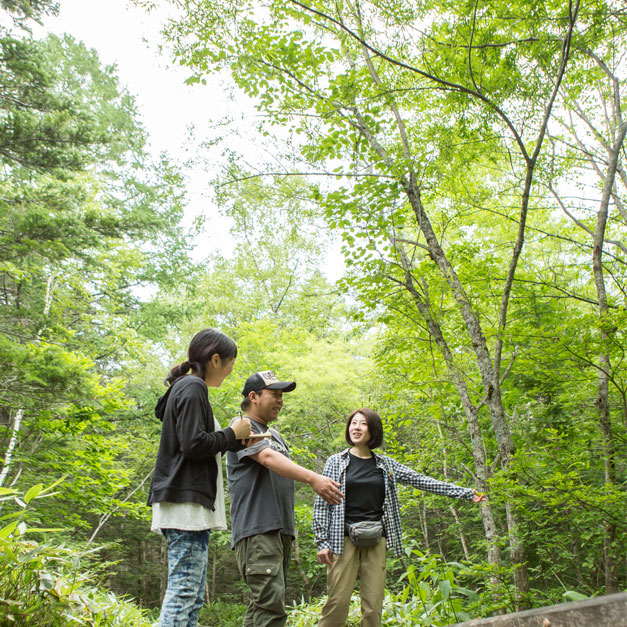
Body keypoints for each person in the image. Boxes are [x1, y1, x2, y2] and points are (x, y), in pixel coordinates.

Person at [313, 408, 487, 627]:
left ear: (373, 430)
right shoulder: (336, 462)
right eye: (353, 423)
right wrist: (322, 542)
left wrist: (464, 493)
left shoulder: (385, 465)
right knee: (337, 602)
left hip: (376, 539)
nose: (356, 428)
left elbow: (421, 480)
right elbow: (321, 503)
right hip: (342, 539)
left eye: (363, 424)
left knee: (373, 605)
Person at [148, 329, 252, 627]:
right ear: (215, 359)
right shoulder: (193, 388)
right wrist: (233, 433)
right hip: (185, 503)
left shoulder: (185, 387)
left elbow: (195, 440)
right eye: (230, 366)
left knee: (191, 598)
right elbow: (193, 445)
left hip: (185, 502)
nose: (230, 373)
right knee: (183, 593)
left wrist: (235, 440)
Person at [226, 370, 344, 627]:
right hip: (258, 529)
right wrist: (314, 479)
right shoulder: (241, 427)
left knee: (262, 607)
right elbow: (267, 459)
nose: (280, 401)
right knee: (271, 609)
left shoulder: (274, 435)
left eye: (282, 396)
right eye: (275, 395)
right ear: (254, 397)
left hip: (278, 531)